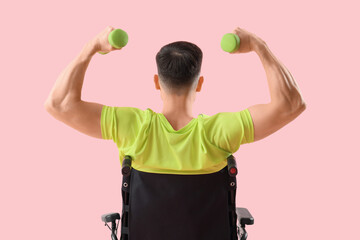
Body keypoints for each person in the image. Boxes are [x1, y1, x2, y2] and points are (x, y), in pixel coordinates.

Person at [45, 26, 306, 175]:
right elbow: (291, 105)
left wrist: (91, 47)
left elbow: (59, 104)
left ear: (157, 82)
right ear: (200, 83)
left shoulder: (132, 128)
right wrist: (260, 46)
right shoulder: (219, 133)